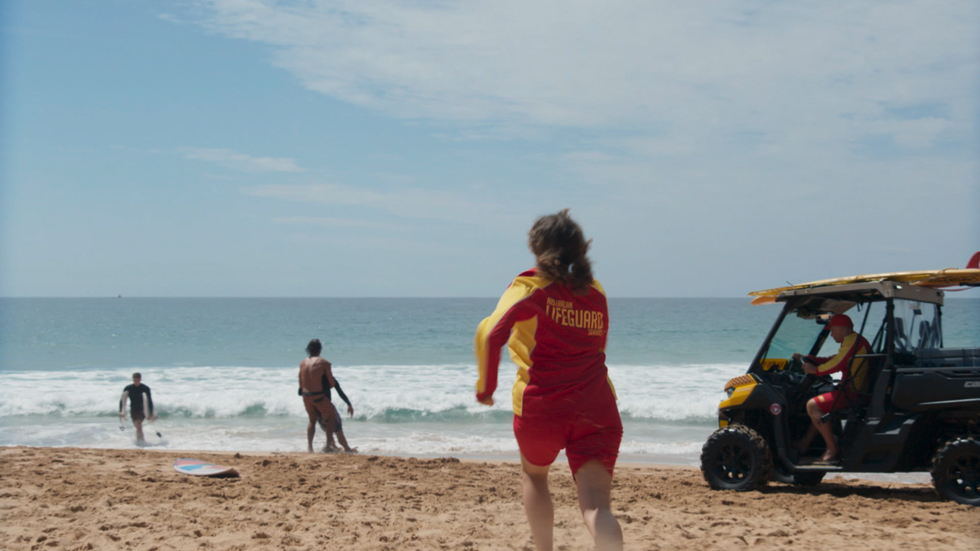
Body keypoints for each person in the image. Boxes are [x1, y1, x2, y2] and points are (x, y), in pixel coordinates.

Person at [475, 209, 623, 551]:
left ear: (536, 247)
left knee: (535, 476)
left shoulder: (528, 287)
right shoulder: (595, 291)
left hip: (543, 408)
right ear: (581, 248)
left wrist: (487, 388)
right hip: (597, 409)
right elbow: (598, 347)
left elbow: (489, 334)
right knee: (597, 506)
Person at [793, 314, 872, 462]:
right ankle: (804, 444)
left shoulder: (853, 342)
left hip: (853, 393)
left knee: (812, 405)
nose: (831, 335)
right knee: (819, 406)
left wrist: (814, 370)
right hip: (853, 390)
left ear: (841, 329)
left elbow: (836, 364)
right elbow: (836, 359)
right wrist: (812, 359)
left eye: (832, 331)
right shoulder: (852, 340)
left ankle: (832, 448)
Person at [298, 339, 337, 453]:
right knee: (331, 417)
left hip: (306, 396)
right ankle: (328, 446)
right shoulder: (324, 363)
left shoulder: (302, 363)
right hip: (318, 396)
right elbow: (332, 383)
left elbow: (301, 383)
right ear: (319, 350)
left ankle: (310, 448)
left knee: (312, 420)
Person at [119, 372, 156, 444]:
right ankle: (139, 441)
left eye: (137, 380)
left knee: (138, 425)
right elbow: (122, 400)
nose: (136, 382)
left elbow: (149, 401)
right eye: (134, 380)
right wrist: (121, 411)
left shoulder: (145, 388)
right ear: (133, 379)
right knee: (137, 426)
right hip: (133, 410)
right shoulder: (128, 388)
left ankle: (141, 442)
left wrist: (150, 413)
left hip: (142, 410)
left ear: (140, 379)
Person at [327, 379, 357, 453]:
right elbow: (339, 391)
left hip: (315, 406)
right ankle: (347, 448)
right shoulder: (328, 377)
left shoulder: (313, 378)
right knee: (337, 426)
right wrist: (349, 404)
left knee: (326, 426)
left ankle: (332, 446)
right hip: (326, 405)